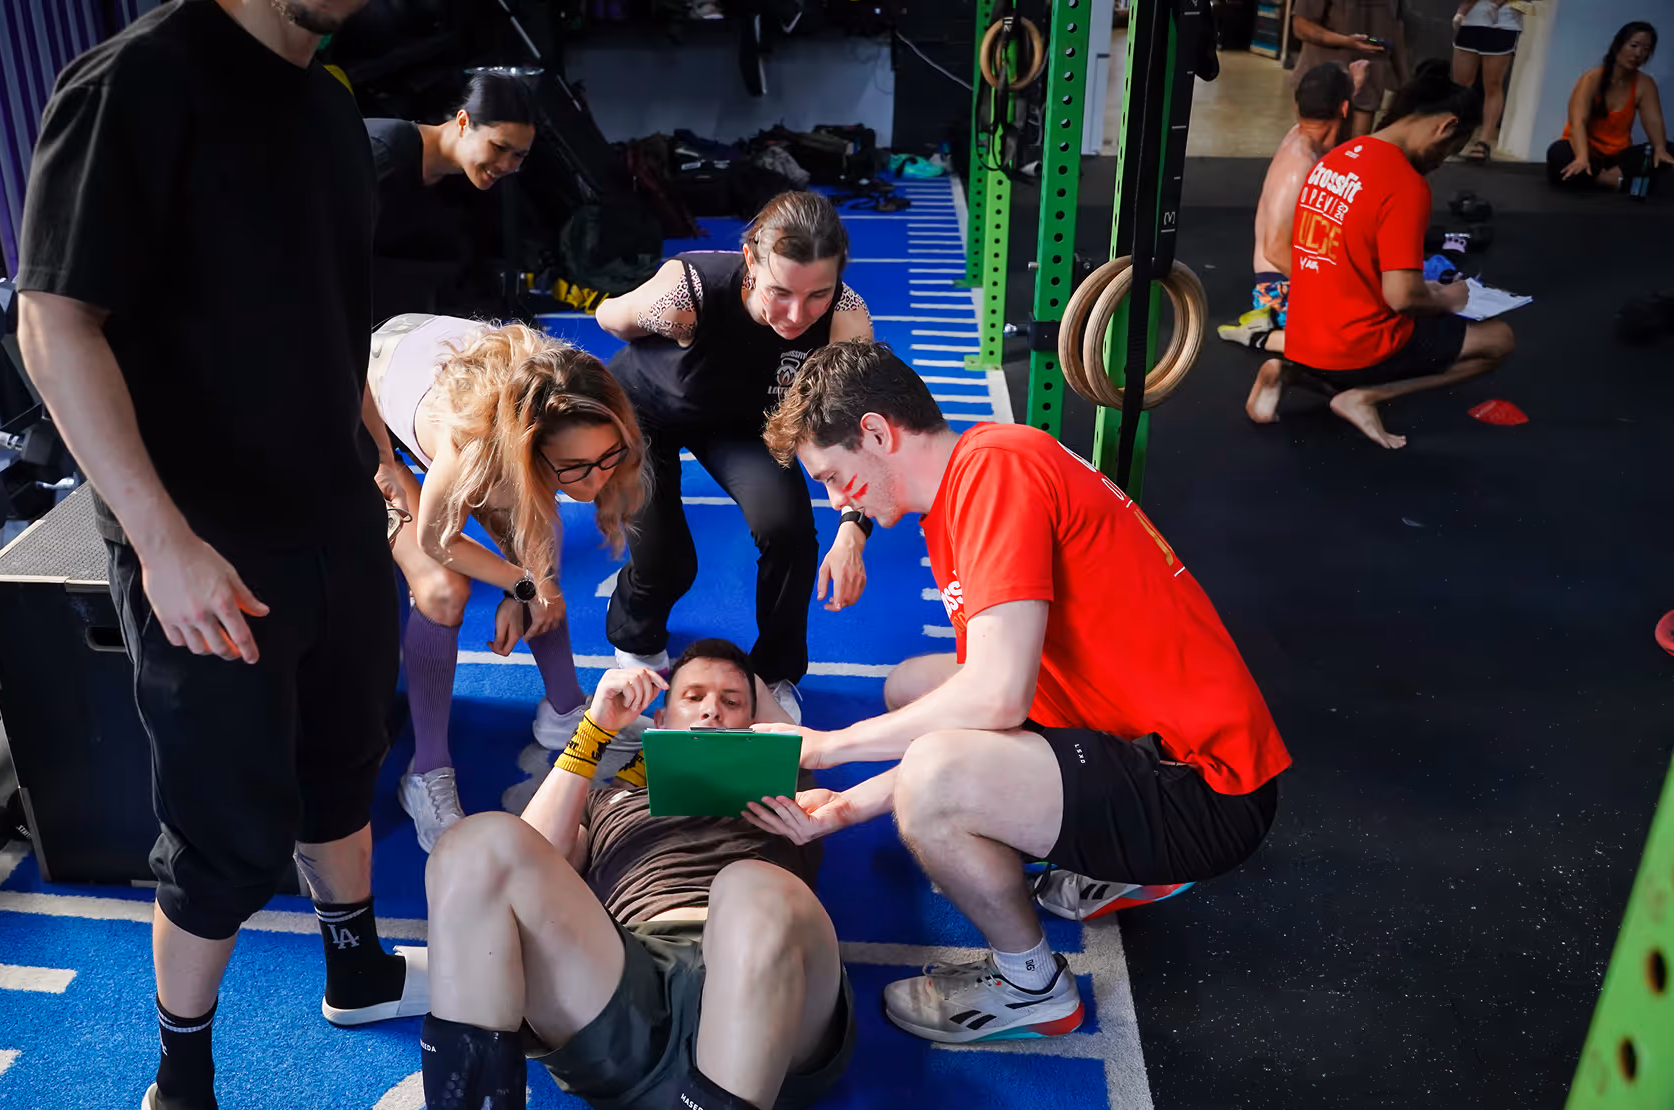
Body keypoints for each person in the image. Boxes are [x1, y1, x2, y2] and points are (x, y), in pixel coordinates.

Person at [16, 0, 421, 1110]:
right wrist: (160, 539)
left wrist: (385, 467)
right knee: (228, 836)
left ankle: (354, 960)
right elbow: (51, 321)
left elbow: (327, 318)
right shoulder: (136, 83)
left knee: (346, 754)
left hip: (333, 513)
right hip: (204, 542)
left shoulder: (332, 101)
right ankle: (178, 1080)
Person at [746, 340, 1289, 1045]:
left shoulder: (993, 478)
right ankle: (1098, 862)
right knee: (914, 688)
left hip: (1204, 792)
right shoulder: (978, 472)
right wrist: (844, 809)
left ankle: (1032, 985)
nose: (835, 500)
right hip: (1148, 744)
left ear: (878, 433)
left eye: (835, 476)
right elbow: (991, 703)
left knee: (935, 782)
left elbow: (998, 701)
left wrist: (826, 747)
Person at [396, 641, 851, 1110]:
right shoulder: (612, 797)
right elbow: (529, 851)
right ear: (659, 722)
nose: (711, 713)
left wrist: (770, 729)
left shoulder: (792, 796)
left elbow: (787, 730)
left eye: (732, 703)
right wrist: (596, 730)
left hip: (767, 1001)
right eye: (692, 698)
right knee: (475, 846)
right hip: (630, 994)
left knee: (751, 887)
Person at [363, 316, 649, 850]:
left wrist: (535, 583)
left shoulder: (570, 396)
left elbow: (540, 539)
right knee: (443, 591)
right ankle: (425, 773)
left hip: (459, 382)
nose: (594, 482)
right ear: (529, 450)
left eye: (607, 459)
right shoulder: (473, 448)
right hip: (368, 406)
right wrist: (519, 585)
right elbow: (436, 541)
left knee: (543, 569)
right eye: (575, 469)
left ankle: (566, 712)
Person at [594, 191, 875, 721]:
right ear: (750, 260)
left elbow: (857, 431)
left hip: (747, 424)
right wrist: (657, 315)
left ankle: (775, 674)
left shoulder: (846, 319)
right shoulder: (688, 288)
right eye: (781, 292)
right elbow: (608, 315)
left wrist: (854, 528)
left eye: (818, 293)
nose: (797, 315)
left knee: (789, 533)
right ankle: (636, 645)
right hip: (645, 412)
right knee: (667, 561)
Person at [1247, 61, 1516, 450]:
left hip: (1301, 338)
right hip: (1353, 347)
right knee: (1499, 339)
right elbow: (1402, 297)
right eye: (1450, 150)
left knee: (1368, 329)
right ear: (1445, 127)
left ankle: (1291, 374)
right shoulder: (1406, 184)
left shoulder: (1336, 158)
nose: (1441, 161)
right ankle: (1365, 397)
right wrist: (1447, 297)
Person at [363, 71, 537, 320]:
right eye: (499, 147)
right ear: (463, 123)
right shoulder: (382, 151)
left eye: (519, 155)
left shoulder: (472, 184)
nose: (507, 165)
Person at [1218, 62, 1358, 353]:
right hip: (1279, 287)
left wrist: (1355, 81)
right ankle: (1263, 336)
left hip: (1303, 269)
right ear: (1345, 109)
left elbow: (1352, 145)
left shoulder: (1310, 135)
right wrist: (1337, 289)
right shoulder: (1298, 167)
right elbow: (1274, 249)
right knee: (1367, 332)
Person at [1547, 23, 1671, 195]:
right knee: (1558, 153)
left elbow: (1654, 121)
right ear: (1618, 45)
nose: (1638, 54)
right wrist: (1582, 158)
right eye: (1633, 46)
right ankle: (1618, 183)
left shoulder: (1645, 84)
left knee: (1668, 151)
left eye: (1645, 49)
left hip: (1618, 160)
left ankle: (1601, 180)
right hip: (1585, 151)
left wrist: (1660, 149)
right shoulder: (1592, 78)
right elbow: (1577, 123)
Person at [1291, 0, 1407, 137]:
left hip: (1368, 86)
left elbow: (1396, 29)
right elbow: (1301, 26)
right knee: (1317, 151)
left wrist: (1405, 82)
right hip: (1322, 86)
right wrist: (1345, 41)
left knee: (1351, 153)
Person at [1451, 0, 1522, 162]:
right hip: (1471, 19)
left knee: (1492, 84)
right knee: (1460, 85)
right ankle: (1458, 132)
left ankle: (1484, 141)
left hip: (1503, 21)